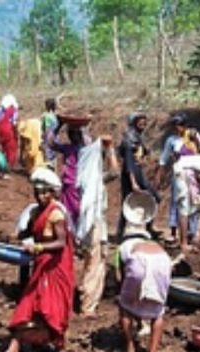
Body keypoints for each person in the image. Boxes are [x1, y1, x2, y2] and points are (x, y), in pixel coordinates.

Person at [0, 169, 75, 352]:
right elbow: (26, 233)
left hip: (54, 268)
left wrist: (37, 247)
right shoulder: (36, 212)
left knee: (39, 306)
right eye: (37, 192)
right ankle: (46, 345)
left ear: (52, 193)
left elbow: (61, 243)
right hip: (41, 267)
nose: (40, 196)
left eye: (44, 192)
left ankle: (16, 349)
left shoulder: (56, 214)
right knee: (34, 306)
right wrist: (8, 239)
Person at [115, 196, 172, 352]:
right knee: (158, 311)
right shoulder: (152, 243)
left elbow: (120, 277)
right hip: (163, 261)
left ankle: (130, 349)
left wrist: (124, 295)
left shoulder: (122, 247)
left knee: (125, 307)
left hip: (139, 261)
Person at [76, 135, 120, 317]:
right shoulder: (94, 180)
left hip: (88, 225)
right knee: (95, 265)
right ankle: (87, 307)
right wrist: (110, 149)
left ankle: (86, 298)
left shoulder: (84, 177)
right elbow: (115, 172)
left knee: (91, 264)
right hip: (94, 225)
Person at [154, 114, 200, 241]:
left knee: (194, 200)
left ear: (185, 126)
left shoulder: (193, 136)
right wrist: (159, 176)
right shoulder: (172, 140)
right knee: (176, 200)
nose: (177, 129)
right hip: (178, 173)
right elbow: (164, 158)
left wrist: (196, 140)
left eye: (180, 126)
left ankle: (193, 231)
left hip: (194, 173)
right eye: (175, 126)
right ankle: (173, 230)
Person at [117, 112, 159, 237]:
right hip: (131, 175)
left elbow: (145, 152)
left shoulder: (137, 137)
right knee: (127, 202)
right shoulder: (130, 139)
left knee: (154, 197)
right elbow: (129, 163)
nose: (143, 123)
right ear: (134, 122)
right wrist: (134, 182)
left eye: (144, 121)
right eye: (140, 121)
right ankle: (121, 231)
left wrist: (143, 160)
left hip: (138, 172)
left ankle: (148, 226)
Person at [50, 123, 87, 226]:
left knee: (76, 210)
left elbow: (51, 143)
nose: (73, 137)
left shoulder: (85, 149)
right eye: (71, 134)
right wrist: (58, 126)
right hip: (68, 183)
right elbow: (51, 143)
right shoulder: (69, 148)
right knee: (68, 210)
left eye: (75, 134)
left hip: (77, 183)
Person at [0, 94, 19, 170]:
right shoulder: (13, 110)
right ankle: (7, 168)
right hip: (9, 131)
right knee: (11, 149)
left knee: (2, 147)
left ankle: (1, 164)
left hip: (0, 130)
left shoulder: (0, 109)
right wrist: (16, 133)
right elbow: (14, 123)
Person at [41, 98, 59, 167]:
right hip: (56, 138)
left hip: (49, 138)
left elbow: (47, 129)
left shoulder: (47, 117)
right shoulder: (55, 116)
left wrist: (43, 138)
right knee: (54, 156)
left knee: (48, 157)